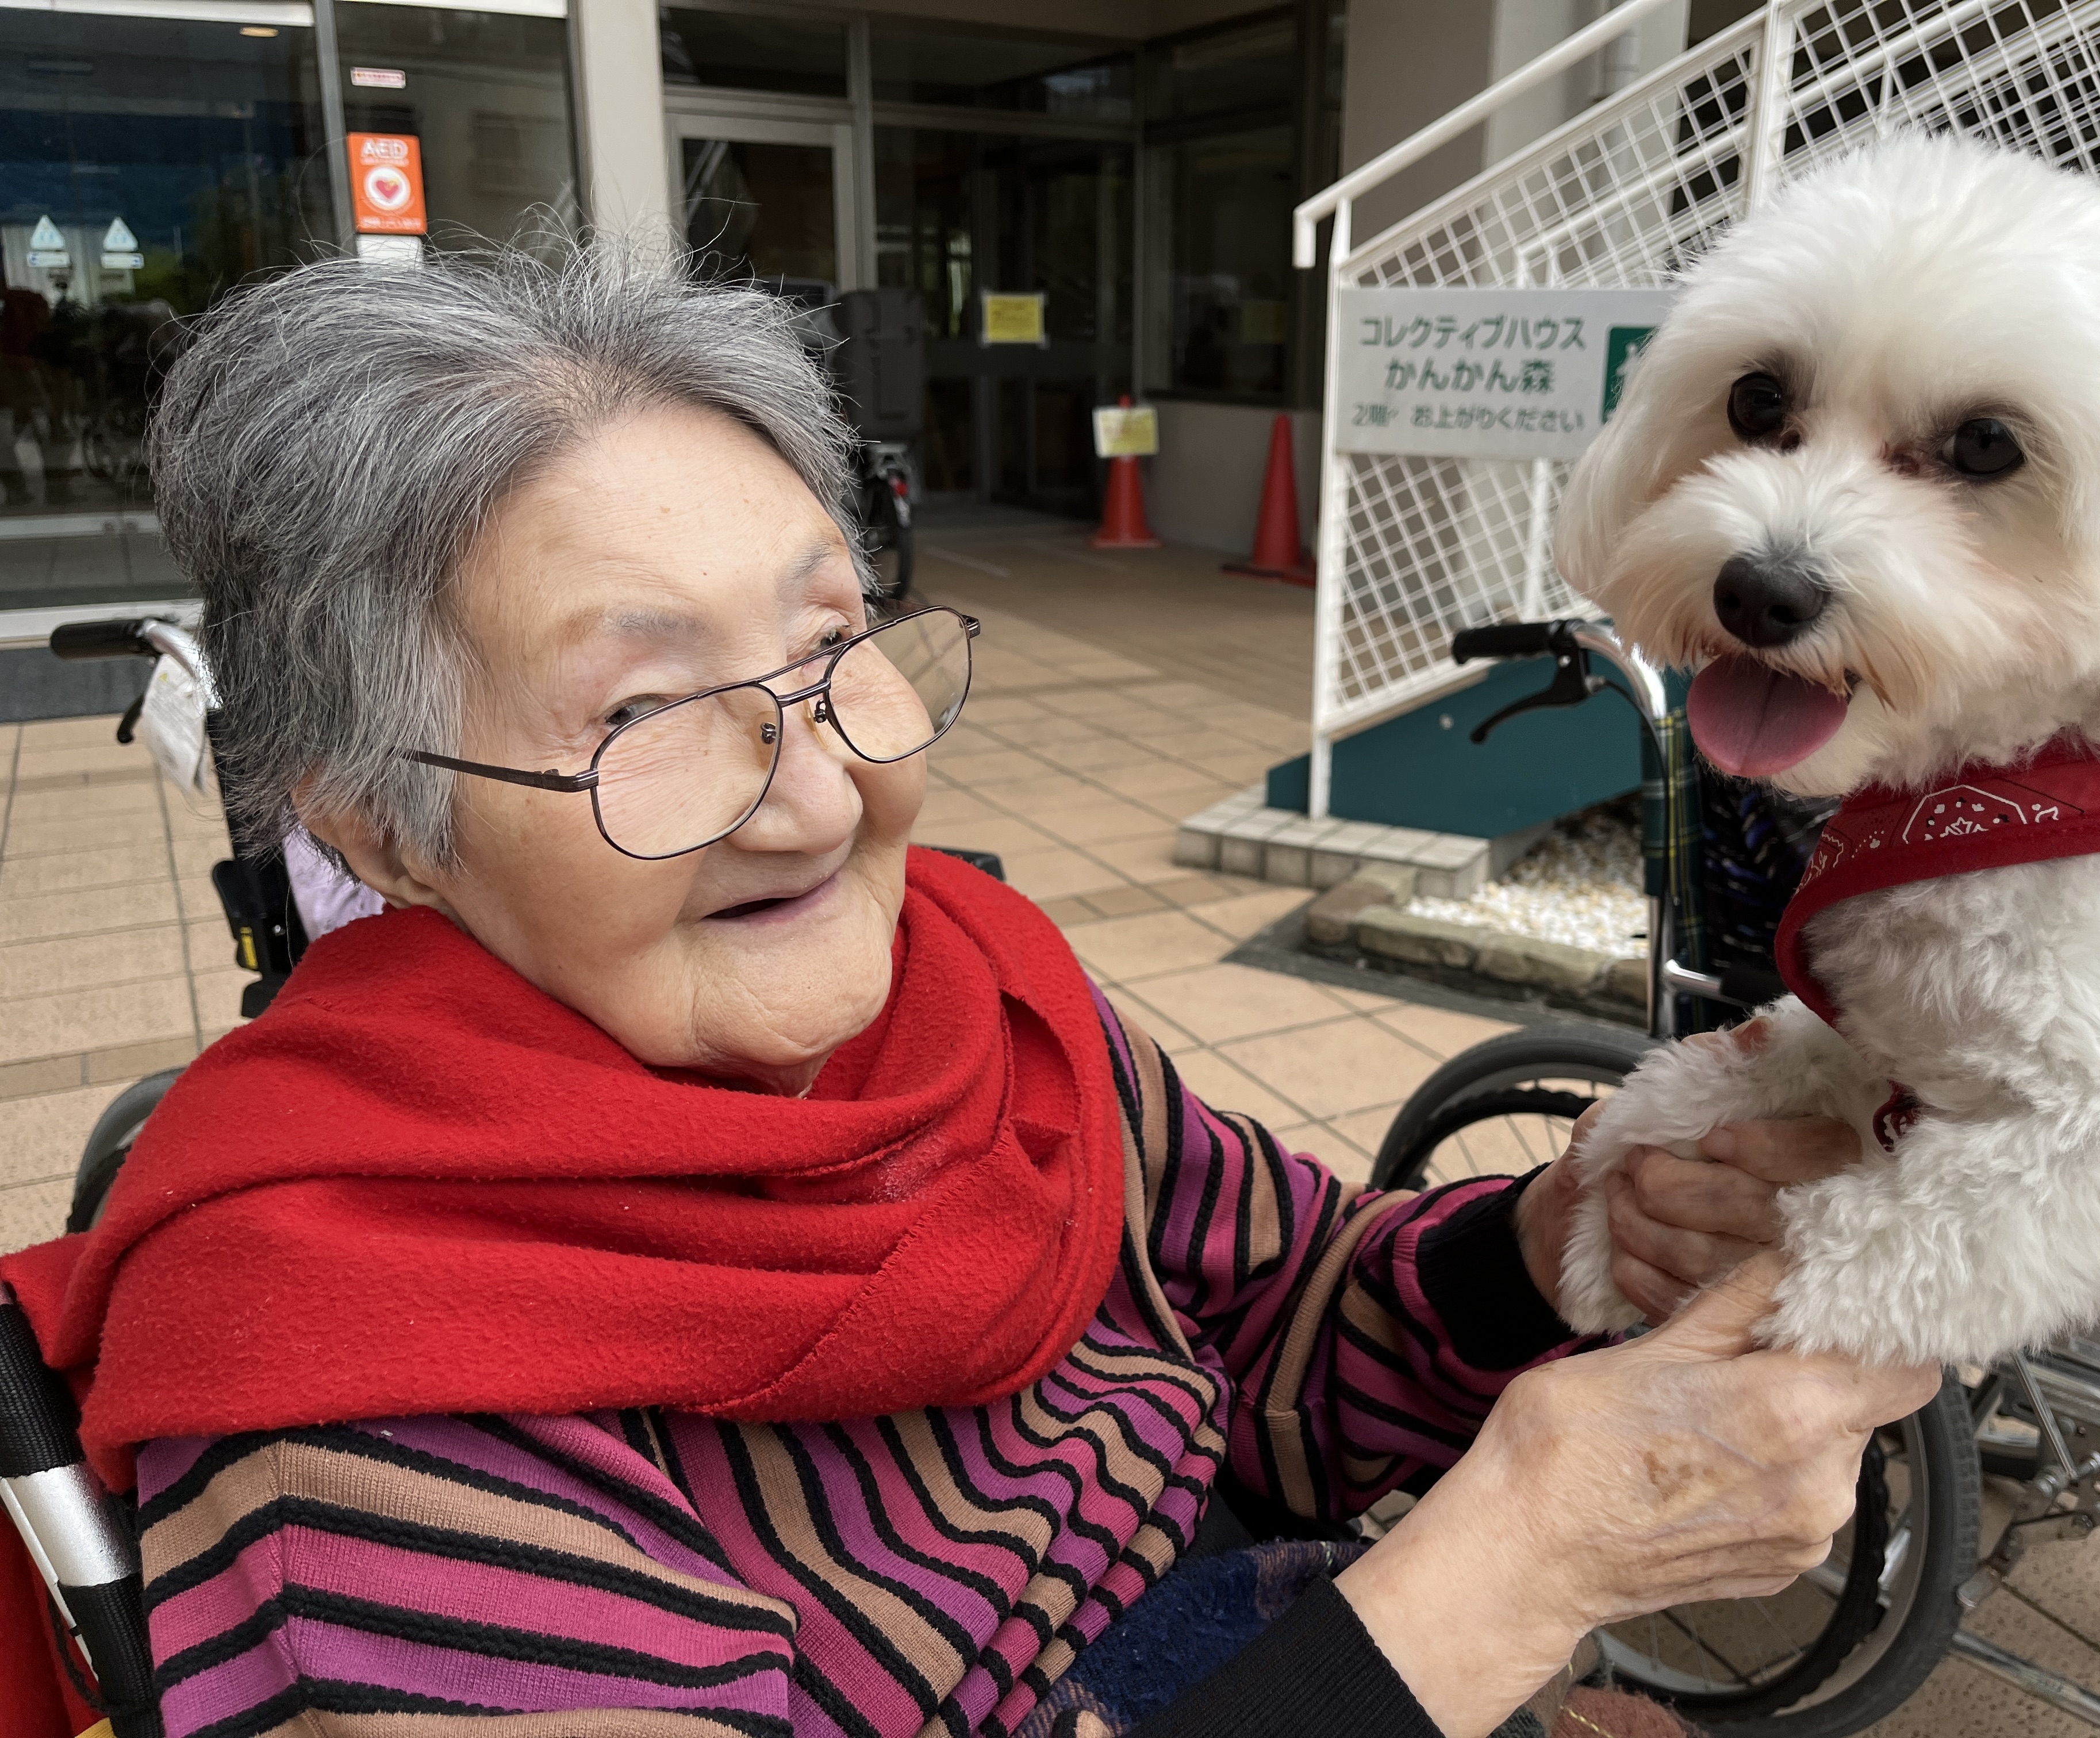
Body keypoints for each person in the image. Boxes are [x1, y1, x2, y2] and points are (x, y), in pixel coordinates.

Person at [0, 247, 1951, 1738]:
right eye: (649, 712)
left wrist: (1547, 1243)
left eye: (830, 644)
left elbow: (1276, 1331)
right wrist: (1508, 1574)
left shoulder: (977, 1001)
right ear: (386, 828)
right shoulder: (350, 1401)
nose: (825, 794)